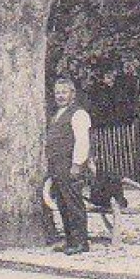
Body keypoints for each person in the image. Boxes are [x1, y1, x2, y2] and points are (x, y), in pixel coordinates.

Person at [46, 77, 93, 255]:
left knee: (74, 203)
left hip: (69, 164)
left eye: (64, 92)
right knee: (62, 203)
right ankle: (70, 241)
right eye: (57, 92)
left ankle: (82, 242)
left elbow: (82, 141)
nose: (60, 96)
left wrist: (77, 164)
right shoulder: (56, 115)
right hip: (56, 166)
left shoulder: (78, 114)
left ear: (72, 94)